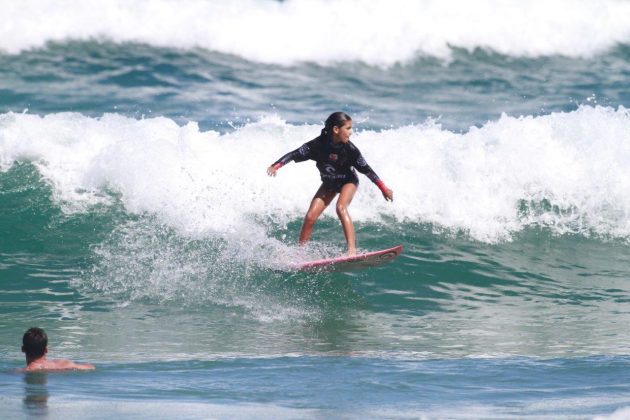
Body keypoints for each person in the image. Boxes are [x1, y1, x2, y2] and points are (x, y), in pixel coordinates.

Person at [267, 112, 393, 256]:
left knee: (340, 207)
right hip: (329, 183)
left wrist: (383, 188)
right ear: (336, 129)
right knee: (310, 216)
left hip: (348, 181)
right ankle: (300, 253)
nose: (351, 132)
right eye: (348, 128)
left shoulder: (350, 150)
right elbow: (294, 154)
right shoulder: (317, 145)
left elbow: (368, 171)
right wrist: (275, 166)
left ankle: (352, 251)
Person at [21, 327, 95, 371]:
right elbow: (91, 367)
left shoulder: (26, 370)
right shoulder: (62, 364)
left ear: (23, 349)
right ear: (46, 350)